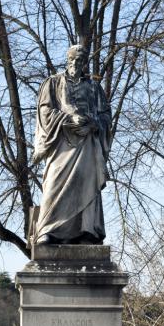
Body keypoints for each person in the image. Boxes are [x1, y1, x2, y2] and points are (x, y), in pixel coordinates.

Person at [32, 45, 112, 245]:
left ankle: (87, 231)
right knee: (54, 183)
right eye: (73, 59)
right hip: (61, 143)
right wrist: (69, 119)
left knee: (86, 184)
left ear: (85, 63)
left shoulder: (94, 88)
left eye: (80, 60)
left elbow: (106, 116)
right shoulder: (53, 83)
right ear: (67, 60)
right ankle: (47, 229)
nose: (76, 63)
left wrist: (94, 123)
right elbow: (45, 112)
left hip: (87, 145)